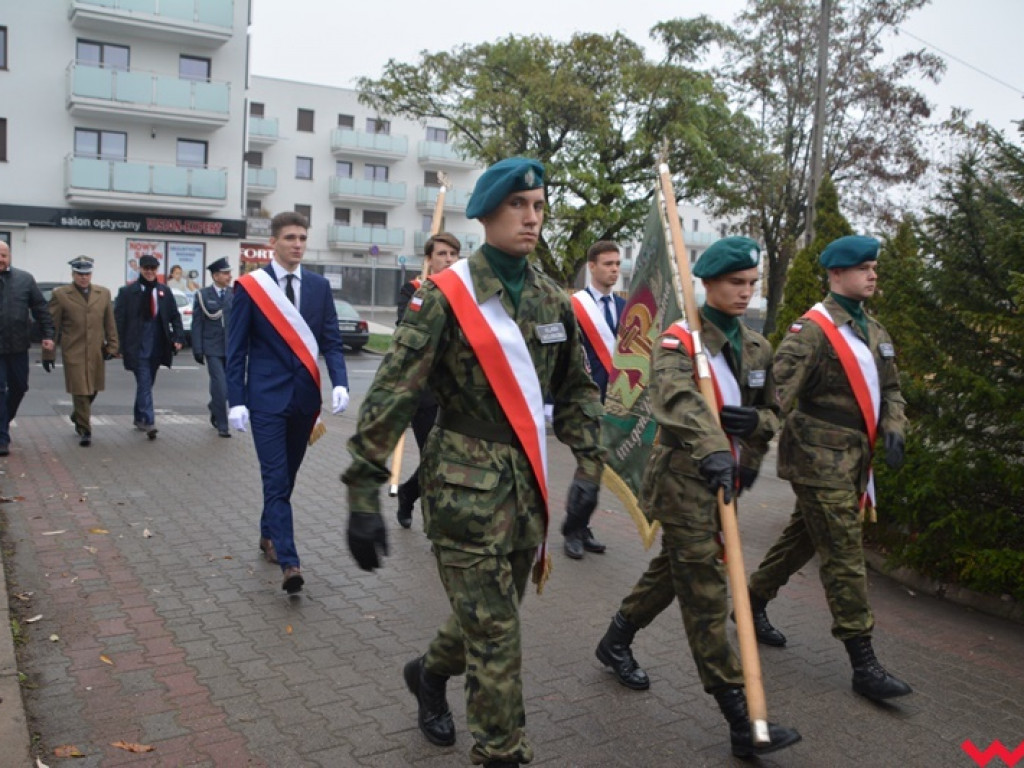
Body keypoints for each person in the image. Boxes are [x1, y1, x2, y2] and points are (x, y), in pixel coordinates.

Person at [343, 157, 604, 768]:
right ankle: (501, 752)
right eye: (519, 205)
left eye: (539, 206)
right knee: (497, 637)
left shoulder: (550, 298)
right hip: (463, 490)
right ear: (487, 213)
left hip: (525, 492)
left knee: (488, 619)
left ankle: (428, 675)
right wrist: (363, 493)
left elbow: (576, 390)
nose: (532, 217)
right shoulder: (444, 297)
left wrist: (590, 465)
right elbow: (391, 395)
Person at [594, 238, 801, 758]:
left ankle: (615, 638)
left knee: (676, 569)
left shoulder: (757, 347)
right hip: (684, 481)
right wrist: (712, 446)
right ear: (707, 284)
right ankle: (741, 717)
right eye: (736, 283)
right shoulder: (678, 341)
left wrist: (756, 424)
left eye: (751, 284)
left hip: (725, 482)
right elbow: (675, 400)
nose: (745, 292)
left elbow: (773, 409)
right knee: (706, 591)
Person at [745, 234, 912, 702]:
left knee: (802, 539)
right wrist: (750, 448)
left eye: (874, 267)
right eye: (863, 268)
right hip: (817, 456)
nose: (873, 274)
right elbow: (775, 396)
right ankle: (864, 662)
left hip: (856, 459)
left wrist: (895, 427)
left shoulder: (874, 330)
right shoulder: (813, 331)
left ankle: (752, 601)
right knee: (843, 553)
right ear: (836, 274)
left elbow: (892, 390)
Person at [226, 211, 349, 594]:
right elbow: (237, 349)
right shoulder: (250, 288)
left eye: (302, 238)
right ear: (272, 243)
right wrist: (236, 401)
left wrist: (340, 382)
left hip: (304, 401)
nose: (298, 244)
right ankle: (289, 561)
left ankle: (267, 534)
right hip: (264, 401)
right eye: (290, 238)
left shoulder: (317, 287)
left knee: (286, 478)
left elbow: (330, 340)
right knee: (275, 478)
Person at [561, 240, 625, 558]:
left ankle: (581, 526)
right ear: (592, 267)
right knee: (589, 467)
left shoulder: (625, 309)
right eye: (608, 264)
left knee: (595, 469)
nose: (614, 269)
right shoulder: (575, 307)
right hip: (582, 402)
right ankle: (572, 530)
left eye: (617, 264)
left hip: (614, 403)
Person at [393, 231, 461, 528]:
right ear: (429, 259)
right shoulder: (413, 291)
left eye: (452, 255)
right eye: (442, 254)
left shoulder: (467, 295)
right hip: (425, 392)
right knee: (434, 460)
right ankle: (439, 530)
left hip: (458, 391)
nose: (448, 260)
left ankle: (408, 492)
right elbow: (408, 332)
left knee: (451, 461)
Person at [42, 257, 118, 447]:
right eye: (79, 274)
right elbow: (52, 326)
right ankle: (85, 430)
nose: (83, 278)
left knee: (92, 389)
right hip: (73, 351)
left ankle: (77, 415)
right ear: (73, 274)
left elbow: (109, 322)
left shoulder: (103, 293)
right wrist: (48, 354)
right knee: (80, 391)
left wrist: (113, 346)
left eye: (86, 274)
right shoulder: (61, 295)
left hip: (95, 351)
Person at [114, 254, 184, 440]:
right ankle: (149, 421)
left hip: (157, 345)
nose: (150, 272)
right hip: (136, 346)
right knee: (144, 382)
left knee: (147, 383)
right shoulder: (128, 292)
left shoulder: (164, 292)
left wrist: (177, 337)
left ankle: (139, 417)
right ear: (141, 269)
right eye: (146, 268)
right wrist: (117, 346)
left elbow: (174, 317)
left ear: (157, 270)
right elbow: (119, 320)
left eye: (153, 269)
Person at [0, 241, 56, 456]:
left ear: (10, 256)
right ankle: (2, 437)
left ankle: (4, 420)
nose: (1, 259)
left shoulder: (24, 279)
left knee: (19, 387)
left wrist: (48, 335)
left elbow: (41, 308)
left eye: (4, 255)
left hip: (18, 347)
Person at [192, 257, 233, 438]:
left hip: (231, 347)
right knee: (220, 385)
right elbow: (197, 324)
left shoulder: (236, 293)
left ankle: (213, 406)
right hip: (212, 348)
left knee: (229, 387)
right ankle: (223, 425)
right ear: (215, 276)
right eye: (225, 273)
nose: (229, 276)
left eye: (229, 273)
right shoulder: (203, 295)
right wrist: (197, 348)